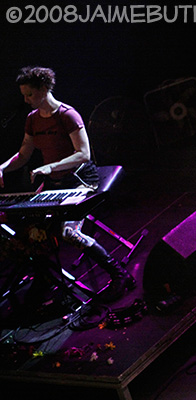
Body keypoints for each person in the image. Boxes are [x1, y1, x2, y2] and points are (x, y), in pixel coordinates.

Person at [0, 66, 135, 303]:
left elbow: (83, 154)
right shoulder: (32, 120)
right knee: (26, 235)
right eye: (23, 95)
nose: (25, 99)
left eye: (29, 94)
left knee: (68, 232)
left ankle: (120, 274)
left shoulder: (67, 115)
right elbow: (23, 154)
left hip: (80, 180)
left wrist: (50, 167)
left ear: (43, 89)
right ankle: (45, 281)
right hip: (55, 185)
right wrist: (2, 167)